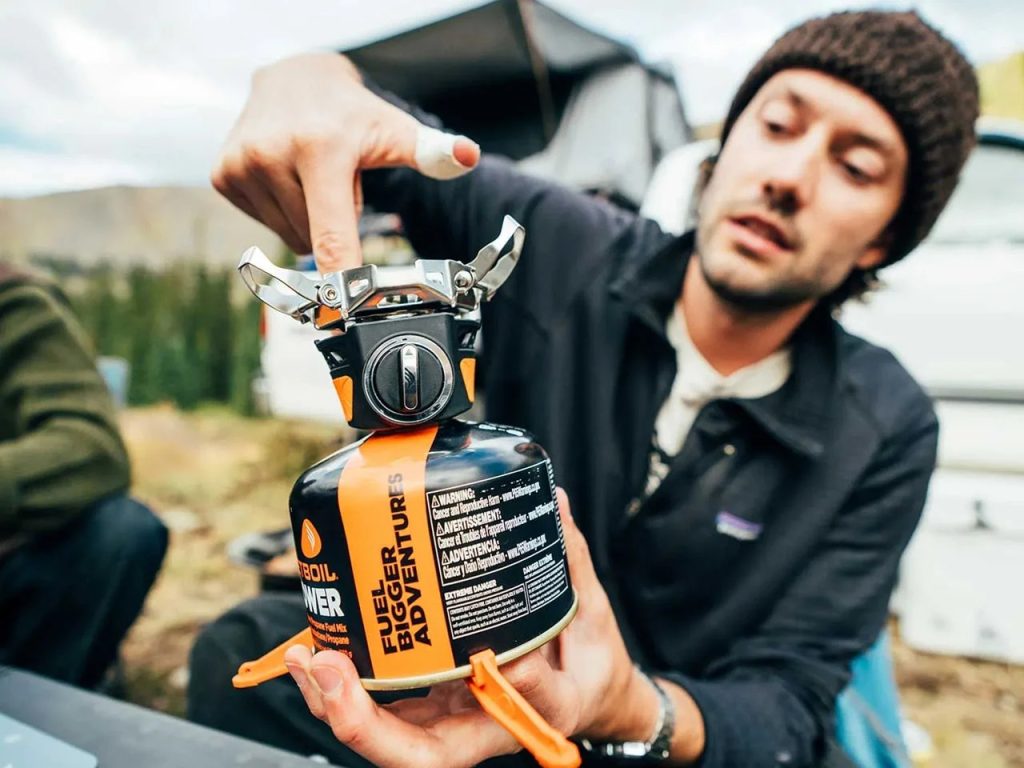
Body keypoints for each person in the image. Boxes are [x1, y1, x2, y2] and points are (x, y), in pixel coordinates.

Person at [188, 10, 979, 767]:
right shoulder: (570, 250)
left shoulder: (885, 424)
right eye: (777, 125)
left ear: (883, 239)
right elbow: (397, 141)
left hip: (666, 739)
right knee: (241, 649)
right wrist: (307, 82)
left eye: (855, 167)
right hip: (481, 684)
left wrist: (630, 708)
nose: (789, 177)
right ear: (726, 142)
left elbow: (790, 703)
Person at [0, 263, 168, 689]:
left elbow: (92, 447)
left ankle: (42, 704)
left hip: (16, 558)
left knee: (122, 531)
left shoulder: (14, 305)